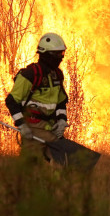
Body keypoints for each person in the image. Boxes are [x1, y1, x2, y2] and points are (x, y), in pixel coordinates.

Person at [5, 32, 70, 162]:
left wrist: (62, 120)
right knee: (31, 167)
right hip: (33, 129)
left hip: (51, 128)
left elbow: (61, 102)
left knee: (63, 161)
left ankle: (57, 183)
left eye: (62, 53)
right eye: (57, 54)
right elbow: (11, 101)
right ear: (47, 55)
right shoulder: (30, 74)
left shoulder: (57, 75)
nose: (60, 58)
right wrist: (22, 125)